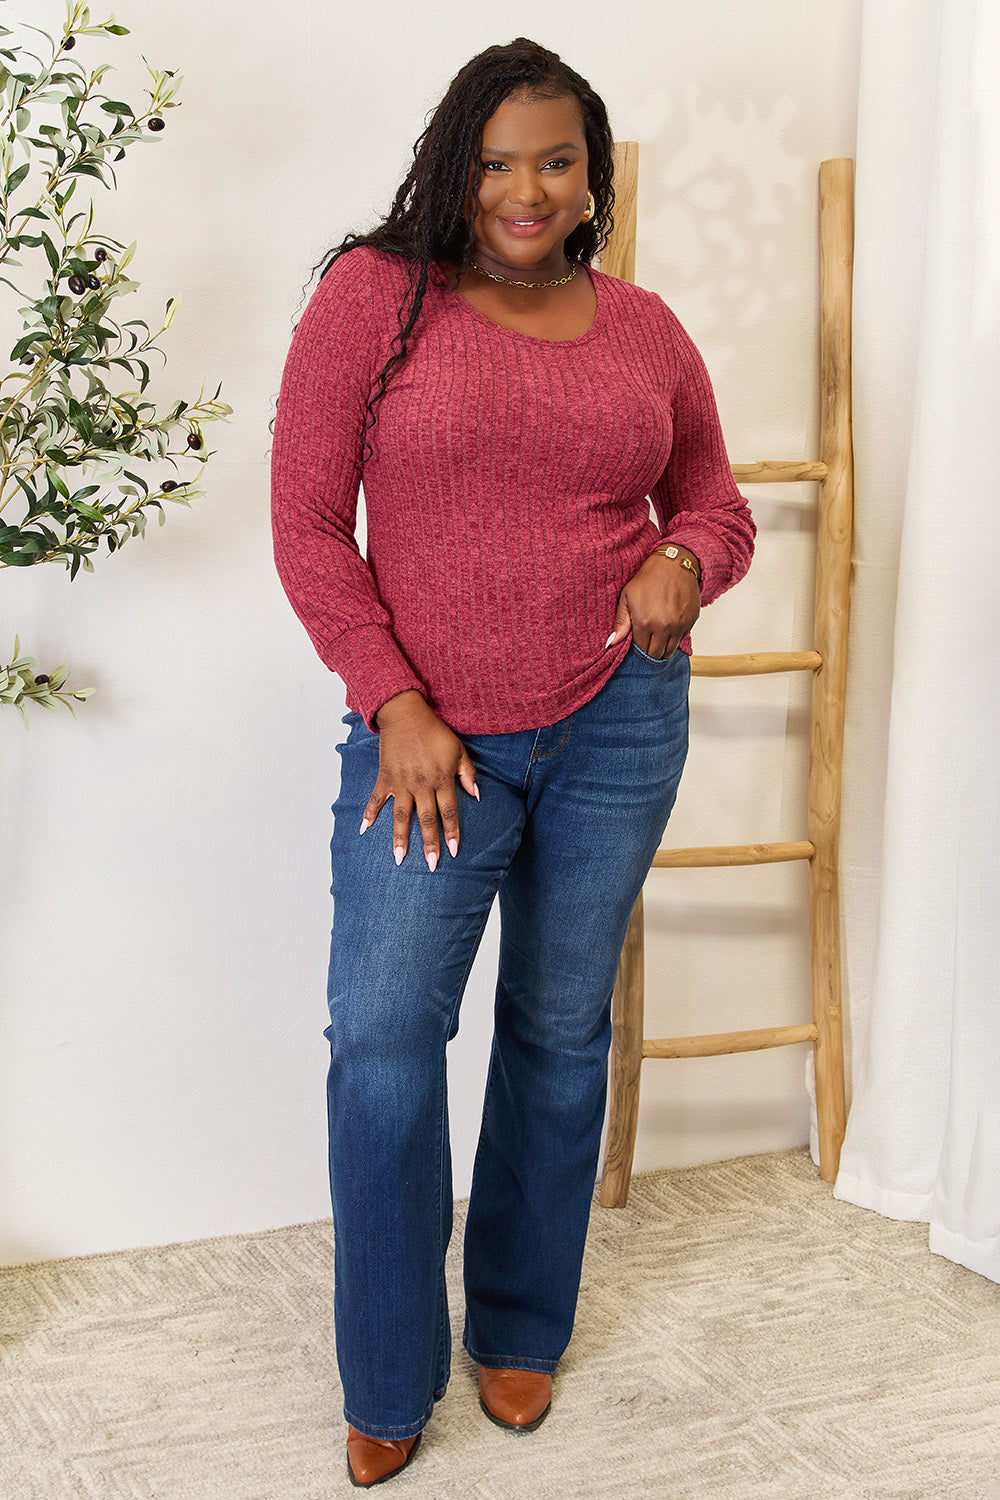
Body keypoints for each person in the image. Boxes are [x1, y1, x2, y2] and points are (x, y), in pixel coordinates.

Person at [271, 37, 754, 1488]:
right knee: (383, 1043)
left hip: (619, 726)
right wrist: (397, 701)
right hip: (431, 748)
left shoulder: (648, 329)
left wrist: (683, 561)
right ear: (450, 163)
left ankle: (524, 1322)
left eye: (554, 159)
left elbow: (716, 502)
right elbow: (306, 525)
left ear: (592, 172)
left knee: (557, 1031)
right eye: (494, 161)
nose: (525, 190)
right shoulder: (376, 301)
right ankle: (388, 1370)